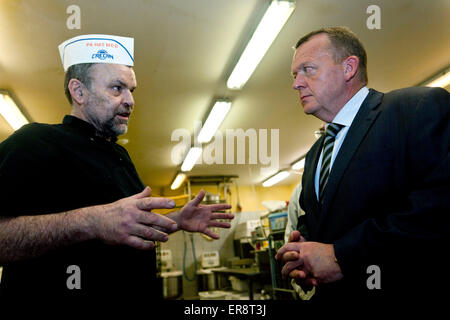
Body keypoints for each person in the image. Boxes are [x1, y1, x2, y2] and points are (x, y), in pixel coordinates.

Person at [0, 34, 233, 303]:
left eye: (131, 90)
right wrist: (92, 221)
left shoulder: (120, 155)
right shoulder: (35, 141)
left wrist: (177, 221)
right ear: (79, 92)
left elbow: (125, 228)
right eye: (116, 88)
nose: (130, 100)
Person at [275, 26, 449, 306]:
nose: (297, 83)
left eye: (308, 69)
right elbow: (319, 220)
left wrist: (340, 256)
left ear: (348, 68)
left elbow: (438, 211)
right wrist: (302, 251)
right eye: (295, 75)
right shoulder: (316, 153)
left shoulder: (417, 109)